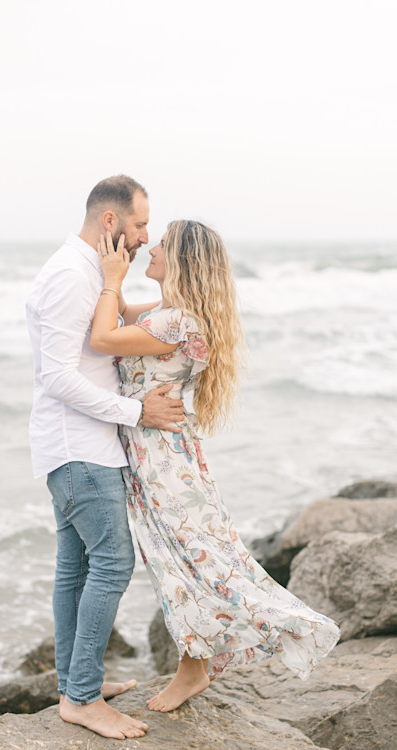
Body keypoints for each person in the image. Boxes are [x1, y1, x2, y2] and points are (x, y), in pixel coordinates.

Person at [89, 221, 341, 712]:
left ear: (181, 260)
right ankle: (196, 664)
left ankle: (194, 669)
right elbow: (119, 317)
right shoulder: (170, 314)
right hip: (164, 458)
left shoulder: (175, 323)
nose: (152, 248)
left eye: (160, 243)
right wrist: (113, 267)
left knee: (183, 562)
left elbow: (103, 338)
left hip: (162, 463)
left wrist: (111, 279)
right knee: (190, 559)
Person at [26, 176, 186, 740]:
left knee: (76, 567)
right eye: (141, 224)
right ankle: (84, 698)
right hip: (80, 448)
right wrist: (135, 411)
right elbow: (58, 377)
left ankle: (76, 681)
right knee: (113, 562)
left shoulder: (93, 272)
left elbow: (114, 328)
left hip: (76, 445)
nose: (146, 235)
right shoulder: (73, 275)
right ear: (112, 222)